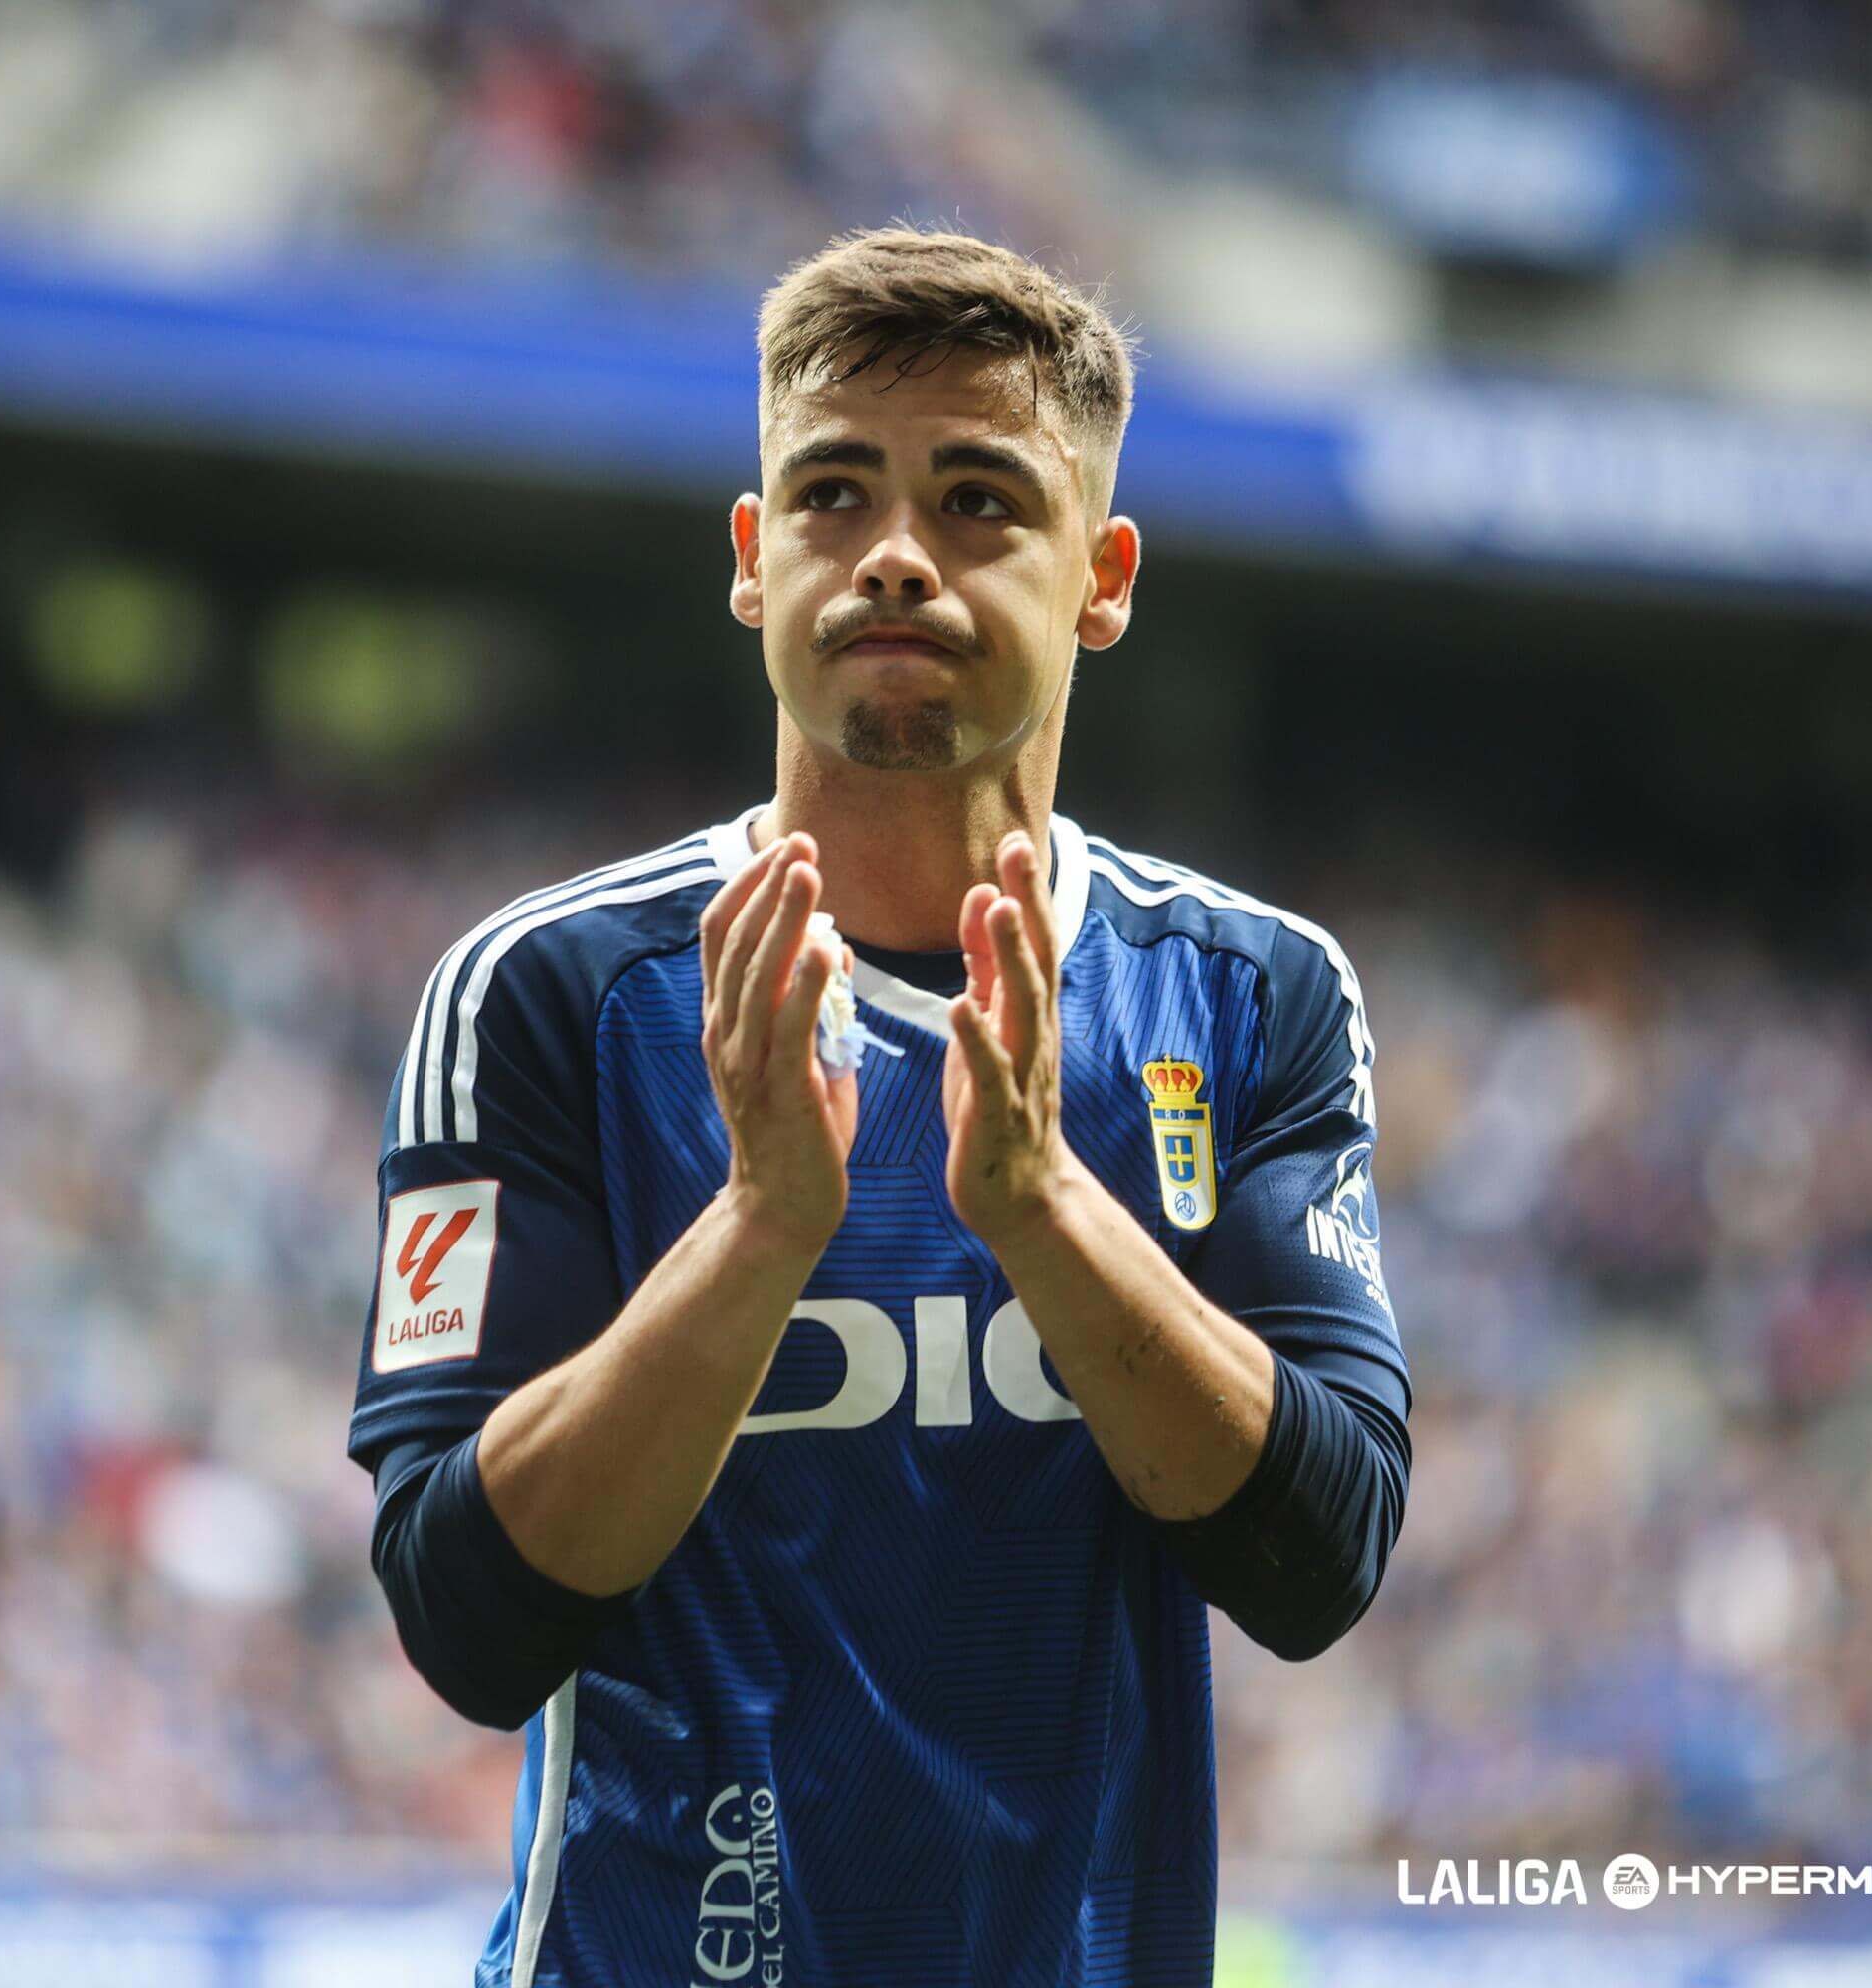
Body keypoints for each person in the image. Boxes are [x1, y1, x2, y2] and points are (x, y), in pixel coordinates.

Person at [349, 227, 1411, 1987]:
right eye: (833, 494)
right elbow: (463, 1612)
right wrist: (764, 1229)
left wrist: (1045, 1213)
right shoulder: (543, 991)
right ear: (756, 562)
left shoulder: (1252, 996)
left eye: (981, 499)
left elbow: (1321, 1560)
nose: (896, 557)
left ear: (1106, 576)